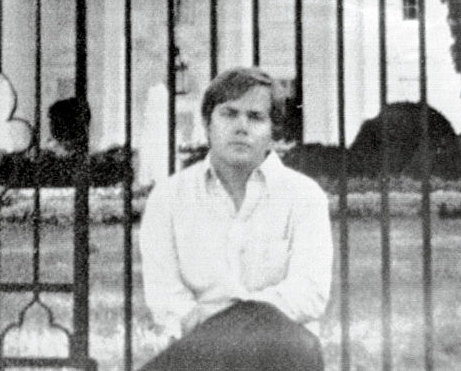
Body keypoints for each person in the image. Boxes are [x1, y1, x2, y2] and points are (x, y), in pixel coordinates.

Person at [138, 66, 332, 371]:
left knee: (296, 344)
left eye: (255, 117)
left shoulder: (305, 197)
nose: (241, 126)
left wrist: (233, 322)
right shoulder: (168, 197)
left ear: (273, 131)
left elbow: (309, 294)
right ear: (207, 124)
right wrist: (228, 328)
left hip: (280, 354)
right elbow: (165, 296)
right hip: (200, 355)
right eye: (229, 114)